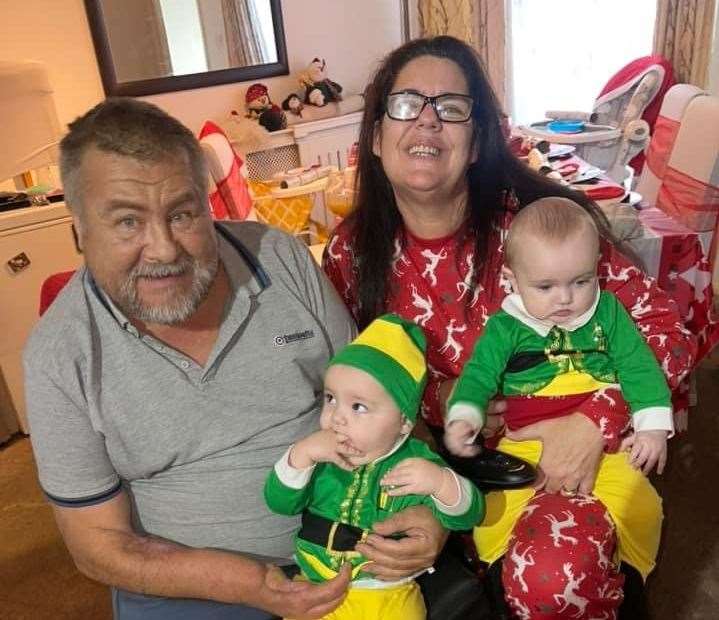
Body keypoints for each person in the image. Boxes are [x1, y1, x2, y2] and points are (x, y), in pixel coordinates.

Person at [23, 98, 446, 620]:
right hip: (189, 584)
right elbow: (98, 545)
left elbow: (384, 397)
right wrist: (251, 585)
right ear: (80, 233)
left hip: (357, 554)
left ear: (208, 206)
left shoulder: (280, 258)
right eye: (127, 222)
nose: (162, 249)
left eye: (181, 214)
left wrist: (431, 510)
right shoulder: (58, 354)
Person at [322, 36, 696, 618]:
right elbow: (351, 384)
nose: (426, 120)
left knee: (555, 574)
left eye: (450, 106)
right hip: (448, 473)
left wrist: (593, 419)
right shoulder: (351, 255)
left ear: (475, 143)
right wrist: (429, 399)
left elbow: (667, 335)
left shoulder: (539, 229)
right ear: (374, 135)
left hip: (577, 470)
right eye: (405, 103)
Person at [444, 197, 672, 611]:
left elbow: (638, 364)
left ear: (597, 268)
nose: (565, 299)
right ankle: (504, 583)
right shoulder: (506, 325)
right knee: (498, 514)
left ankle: (629, 582)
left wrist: (652, 423)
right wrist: (465, 414)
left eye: (581, 281)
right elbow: (477, 376)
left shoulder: (607, 310)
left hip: (607, 444)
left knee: (633, 500)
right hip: (523, 442)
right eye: (545, 287)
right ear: (513, 280)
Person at [265, 314, 484, 620]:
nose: (337, 417)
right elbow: (279, 502)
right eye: (330, 399)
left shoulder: (417, 462)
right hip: (316, 588)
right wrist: (299, 456)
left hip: (387, 596)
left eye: (358, 407)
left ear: (404, 422)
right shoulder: (320, 455)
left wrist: (441, 483)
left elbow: (469, 514)